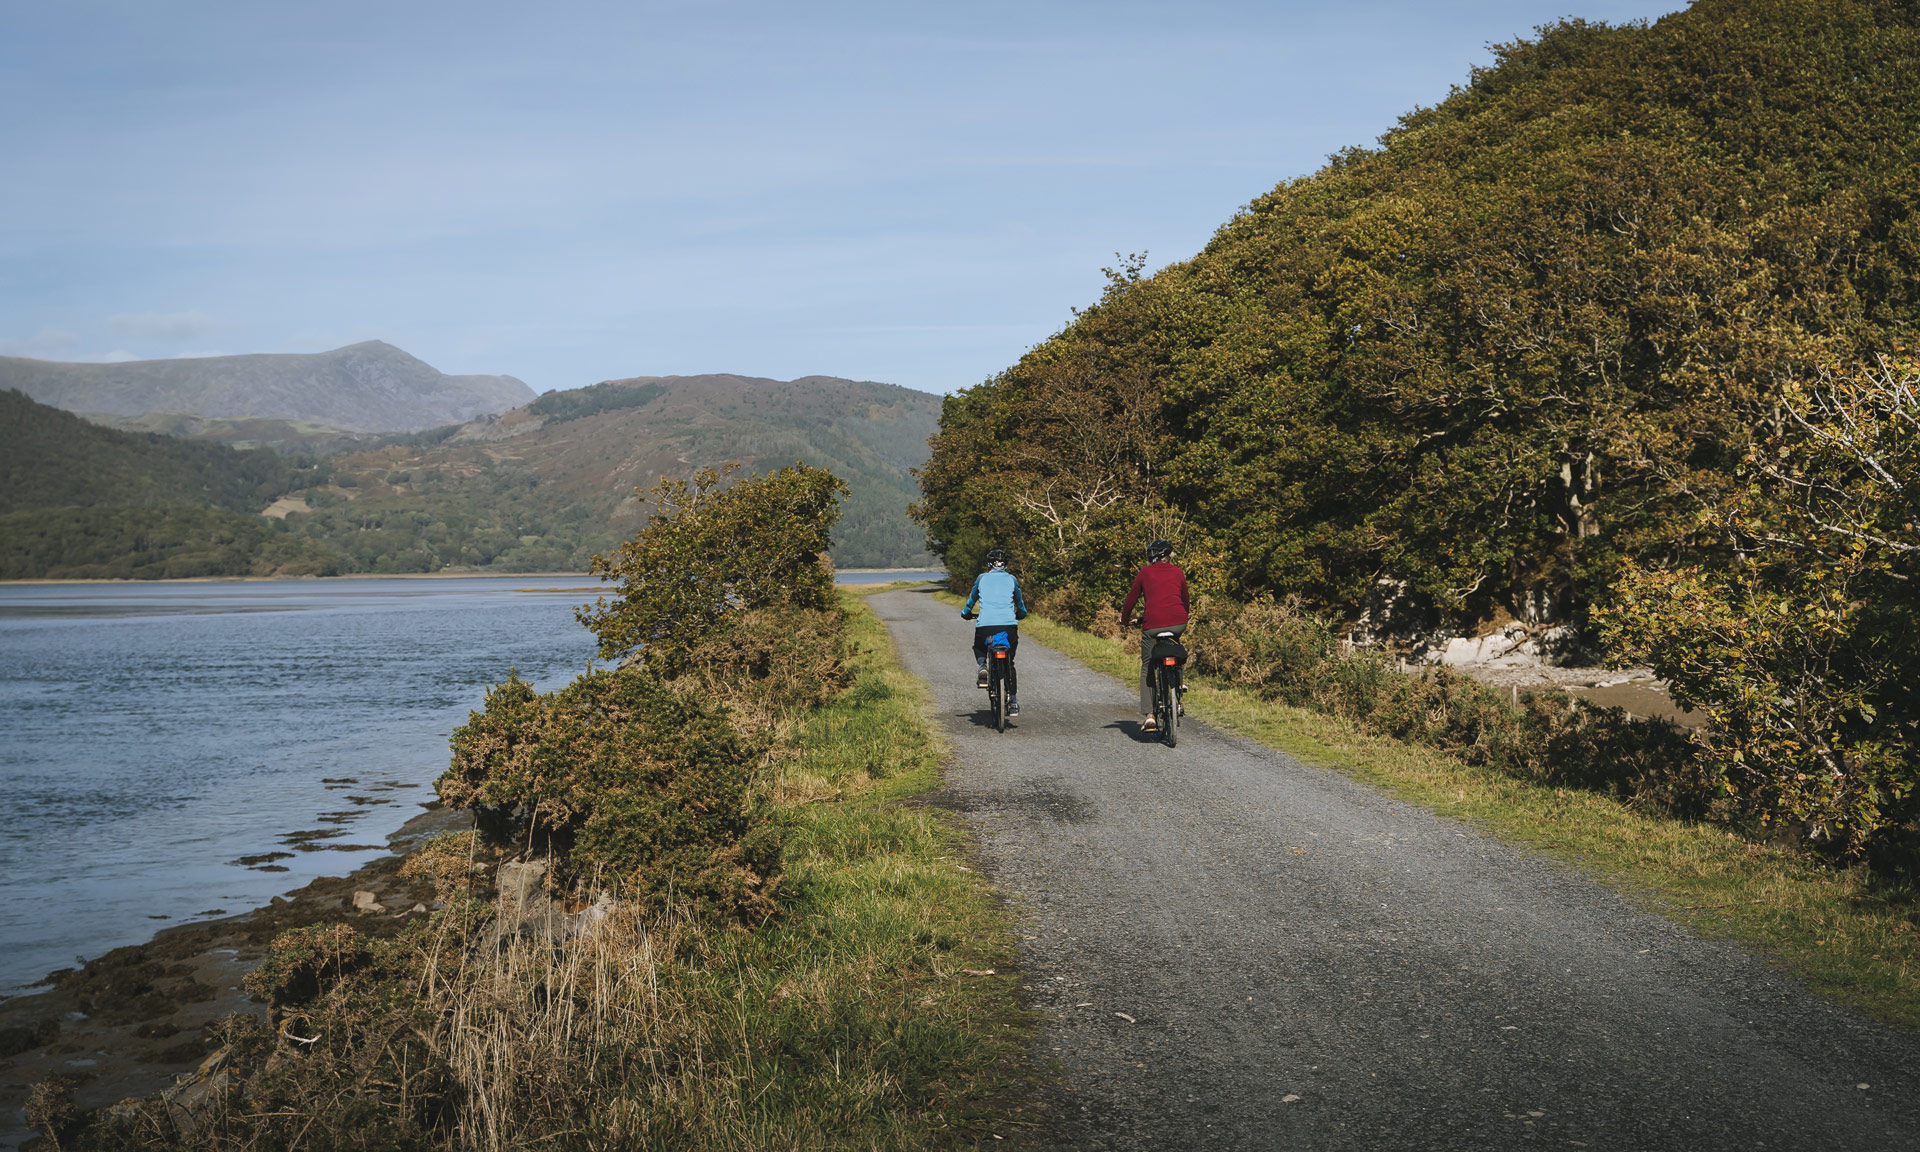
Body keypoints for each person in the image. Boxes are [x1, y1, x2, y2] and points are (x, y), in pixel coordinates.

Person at [1121, 539, 1190, 731]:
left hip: (1152, 625)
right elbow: (1185, 598)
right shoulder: (1177, 572)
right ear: (1168, 555)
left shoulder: (1145, 573)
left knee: (1148, 665)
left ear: (1153, 556)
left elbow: (1131, 598)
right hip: (1178, 622)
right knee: (1174, 644)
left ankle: (1150, 715)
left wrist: (1125, 619)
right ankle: (1179, 680)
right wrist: (1185, 613)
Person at [960, 547, 1029, 715]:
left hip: (986, 627)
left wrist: (966, 613)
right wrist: (1021, 614)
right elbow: (1019, 603)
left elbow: (972, 599)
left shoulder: (982, 578)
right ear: (1005, 564)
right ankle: (1012, 702)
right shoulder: (1012, 579)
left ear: (989, 564)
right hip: (1008, 628)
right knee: (1010, 663)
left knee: (979, 647)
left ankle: (983, 665)